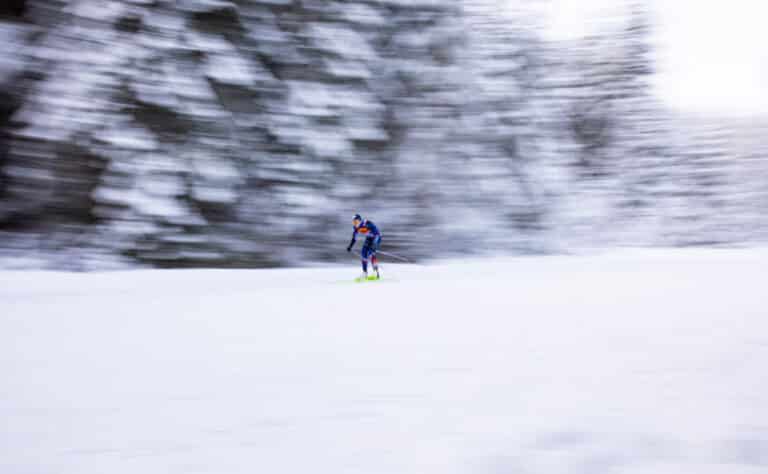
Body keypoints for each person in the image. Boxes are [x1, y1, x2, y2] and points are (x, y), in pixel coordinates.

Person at [347, 213, 381, 279]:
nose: (354, 223)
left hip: (376, 237)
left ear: (359, 220)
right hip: (368, 238)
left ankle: (376, 273)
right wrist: (350, 246)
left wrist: (374, 244)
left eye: (356, 221)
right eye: (353, 222)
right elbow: (354, 238)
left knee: (371, 254)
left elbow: (376, 232)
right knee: (363, 253)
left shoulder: (366, 223)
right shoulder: (356, 228)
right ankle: (365, 273)